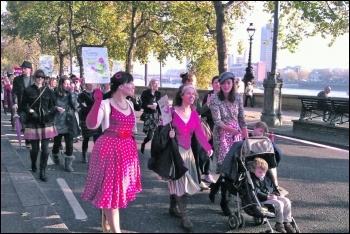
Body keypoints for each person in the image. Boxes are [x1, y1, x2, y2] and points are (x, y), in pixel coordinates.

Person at [82, 71, 141, 233]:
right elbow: (92, 125)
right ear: (121, 86)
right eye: (130, 83)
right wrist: (96, 103)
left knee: (119, 191)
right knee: (112, 193)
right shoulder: (106, 104)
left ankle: (106, 215)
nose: (133, 86)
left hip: (126, 152)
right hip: (109, 151)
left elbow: (132, 129)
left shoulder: (129, 104)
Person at [167, 84, 213, 232]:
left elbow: (199, 133)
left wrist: (208, 148)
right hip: (175, 152)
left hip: (188, 154)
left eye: (193, 94)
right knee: (181, 184)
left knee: (182, 183)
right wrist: (169, 134)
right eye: (189, 93)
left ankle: (173, 204)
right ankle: (185, 217)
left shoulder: (193, 114)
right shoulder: (171, 112)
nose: (192, 96)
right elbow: (161, 130)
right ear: (181, 95)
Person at [208, 71, 248, 216]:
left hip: (236, 134)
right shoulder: (214, 99)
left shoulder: (238, 97)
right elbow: (217, 121)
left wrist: (246, 139)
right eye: (223, 83)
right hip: (222, 135)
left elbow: (242, 119)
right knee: (225, 168)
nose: (225, 86)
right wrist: (231, 129)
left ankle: (216, 188)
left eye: (228, 83)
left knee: (234, 167)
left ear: (233, 84)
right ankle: (223, 202)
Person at [19, 69, 58, 182]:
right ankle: (33, 163)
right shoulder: (28, 90)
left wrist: (50, 112)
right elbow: (23, 105)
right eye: (38, 77)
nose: (40, 79)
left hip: (46, 122)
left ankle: (43, 170)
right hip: (33, 122)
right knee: (35, 149)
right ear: (34, 77)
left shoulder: (49, 91)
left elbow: (52, 105)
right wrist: (30, 111)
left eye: (42, 77)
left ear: (44, 78)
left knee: (45, 150)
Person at [250, 157, 296, 233]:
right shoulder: (253, 179)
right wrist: (267, 196)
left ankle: (286, 222)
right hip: (262, 199)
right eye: (260, 172)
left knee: (287, 201)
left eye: (264, 172)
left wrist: (276, 194)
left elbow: (271, 188)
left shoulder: (266, 178)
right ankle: (279, 224)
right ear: (254, 170)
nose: (262, 174)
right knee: (279, 203)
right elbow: (256, 192)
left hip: (271, 196)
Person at [51, 76, 80, 172]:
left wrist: (72, 94)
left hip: (69, 122)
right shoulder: (55, 93)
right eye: (66, 84)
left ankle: (68, 164)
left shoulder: (72, 94)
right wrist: (56, 108)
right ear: (61, 84)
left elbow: (76, 105)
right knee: (57, 143)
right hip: (58, 122)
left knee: (70, 144)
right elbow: (50, 105)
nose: (68, 86)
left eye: (69, 83)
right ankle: (55, 155)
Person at [199, 75, 221, 184]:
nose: (217, 84)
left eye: (219, 82)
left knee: (214, 150)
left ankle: (207, 172)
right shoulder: (208, 95)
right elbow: (202, 111)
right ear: (212, 84)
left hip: (220, 127)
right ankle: (204, 172)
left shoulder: (224, 96)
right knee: (206, 149)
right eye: (215, 82)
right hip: (208, 126)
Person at [249, 121, 282, 185]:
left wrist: (275, 162)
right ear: (255, 127)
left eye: (263, 133)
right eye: (261, 131)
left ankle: (275, 184)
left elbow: (277, 151)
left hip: (261, 159)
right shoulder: (247, 137)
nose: (261, 134)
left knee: (272, 166)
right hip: (251, 160)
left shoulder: (264, 139)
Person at [77, 83, 102, 163]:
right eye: (89, 83)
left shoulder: (97, 94)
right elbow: (82, 108)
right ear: (86, 84)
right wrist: (94, 106)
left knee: (97, 138)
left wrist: (89, 106)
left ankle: (96, 155)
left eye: (93, 83)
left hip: (96, 118)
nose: (91, 85)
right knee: (86, 138)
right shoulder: (81, 95)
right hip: (85, 119)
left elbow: (101, 105)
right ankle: (84, 154)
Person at [12, 61, 34, 148]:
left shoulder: (34, 79)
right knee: (24, 123)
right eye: (22, 68)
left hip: (32, 105)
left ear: (30, 70)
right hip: (21, 105)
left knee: (31, 123)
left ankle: (32, 140)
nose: (23, 70)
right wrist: (15, 102)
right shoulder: (17, 79)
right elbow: (14, 92)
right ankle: (28, 141)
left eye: (25, 68)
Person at [140, 79, 161, 154]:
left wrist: (162, 115)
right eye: (154, 83)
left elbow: (160, 105)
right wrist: (149, 106)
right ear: (151, 84)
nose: (156, 85)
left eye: (157, 84)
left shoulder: (158, 94)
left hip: (156, 115)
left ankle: (154, 152)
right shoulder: (145, 93)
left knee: (156, 134)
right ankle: (143, 144)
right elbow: (142, 105)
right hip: (148, 115)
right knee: (149, 136)